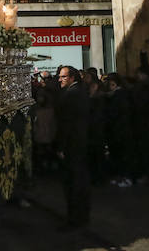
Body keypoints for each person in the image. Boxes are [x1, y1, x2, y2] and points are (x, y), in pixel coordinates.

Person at [55, 65, 90, 227]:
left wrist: (62, 147)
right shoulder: (79, 93)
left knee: (73, 184)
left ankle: (74, 219)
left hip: (72, 146)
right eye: (60, 76)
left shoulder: (71, 95)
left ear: (72, 78)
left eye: (63, 77)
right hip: (80, 143)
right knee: (79, 182)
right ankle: (80, 216)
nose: (59, 79)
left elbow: (67, 125)